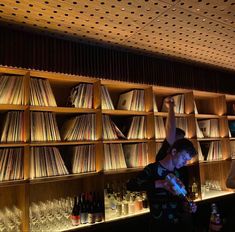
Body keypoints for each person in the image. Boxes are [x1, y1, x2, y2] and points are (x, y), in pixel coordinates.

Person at [126, 138, 197, 232]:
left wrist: (187, 206)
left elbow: (182, 198)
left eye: (187, 160)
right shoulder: (152, 169)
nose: (185, 163)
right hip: (158, 225)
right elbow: (131, 186)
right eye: (184, 158)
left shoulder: (182, 172)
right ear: (174, 151)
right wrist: (159, 184)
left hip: (178, 224)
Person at [156, 96, 185, 162]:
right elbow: (170, 127)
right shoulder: (169, 144)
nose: (181, 141)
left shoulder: (174, 149)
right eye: (180, 138)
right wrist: (170, 106)